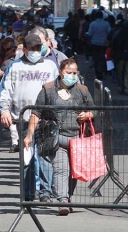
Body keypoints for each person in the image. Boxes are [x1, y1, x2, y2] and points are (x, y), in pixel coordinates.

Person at [24, 58, 95, 215]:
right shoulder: (48, 89)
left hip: (77, 138)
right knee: (62, 168)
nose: (72, 75)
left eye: (75, 73)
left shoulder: (82, 90)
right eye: (68, 72)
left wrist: (88, 113)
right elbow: (36, 112)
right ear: (60, 72)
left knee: (73, 172)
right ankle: (62, 200)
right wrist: (29, 134)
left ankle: (67, 197)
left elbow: (94, 109)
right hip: (56, 137)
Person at [0, 33, 58, 202]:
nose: (36, 51)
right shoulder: (15, 67)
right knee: (27, 159)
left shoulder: (50, 66)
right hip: (23, 118)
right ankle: (28, 194)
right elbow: (5, 90)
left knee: (45, 157)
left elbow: (58, 89)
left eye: (38, 48)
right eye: (33, 49)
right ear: (25, 50)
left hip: (46, 118)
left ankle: (45, 192)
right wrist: (4, 110)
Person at [86, 10, 111, 80]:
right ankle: (101, 71)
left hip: (94, 43)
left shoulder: (92, 24)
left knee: (95, 58)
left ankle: (97, 71)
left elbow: (90, 34)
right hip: (103, 44)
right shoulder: (106, 24)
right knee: (102, 58)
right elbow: (109, 33)